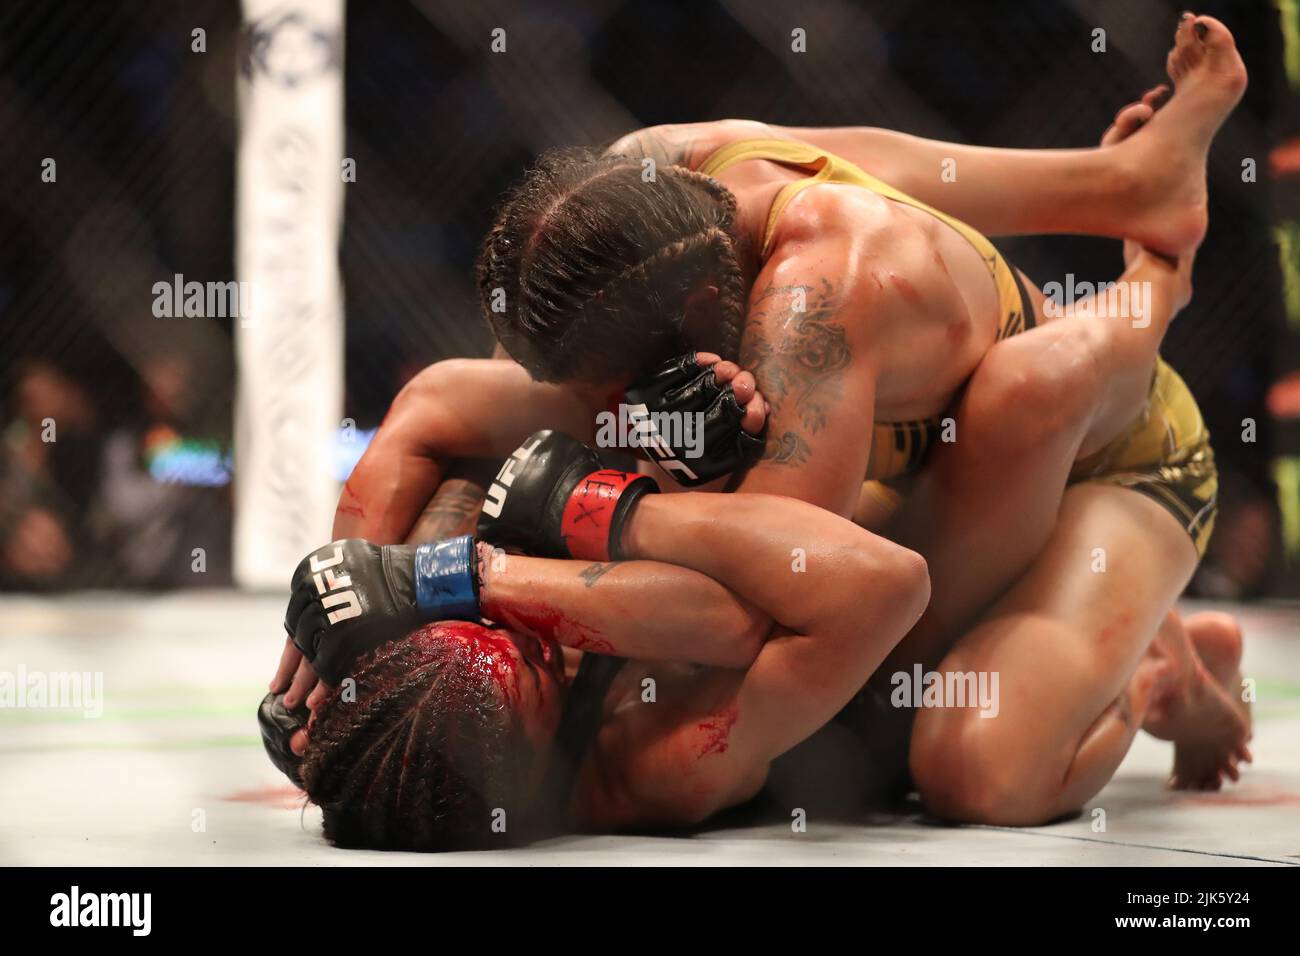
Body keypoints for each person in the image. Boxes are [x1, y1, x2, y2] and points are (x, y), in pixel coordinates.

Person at [267, 13, 1251, 836]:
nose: (582, 413)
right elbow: (441, 409)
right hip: (939, 477)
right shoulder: (655, 189)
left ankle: (1146, 648)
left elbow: (774, 594)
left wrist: (1153, 280)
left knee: (977, 751)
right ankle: (1122, 188)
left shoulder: (812, 316)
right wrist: (347, 601)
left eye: (597, 389)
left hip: (1098, 443)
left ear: (703, 319)